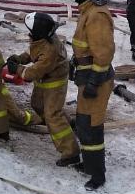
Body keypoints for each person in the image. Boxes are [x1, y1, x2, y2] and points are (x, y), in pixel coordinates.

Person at [7, 13, 81, 167]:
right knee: (37, 105)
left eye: (31, 31)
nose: (29, 34)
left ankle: (71, 152)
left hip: (54, 84)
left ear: (38, 32)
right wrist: (19, 58)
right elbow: (34, 51)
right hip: (45, 79)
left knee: (52, 115)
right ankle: (70, 124)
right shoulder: (44, 39)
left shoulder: (50, 51)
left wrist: (17, 68)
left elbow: (31, 74)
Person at [69, 0, 116, 190]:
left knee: (91, 125)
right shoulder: (87, 10)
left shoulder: (96, 15)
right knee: (83, 122)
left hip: (96, 79)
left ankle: (98, 175)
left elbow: (104, 53)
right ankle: (89, 163)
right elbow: (86, 44)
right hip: (86, 76)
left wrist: (94, 81)